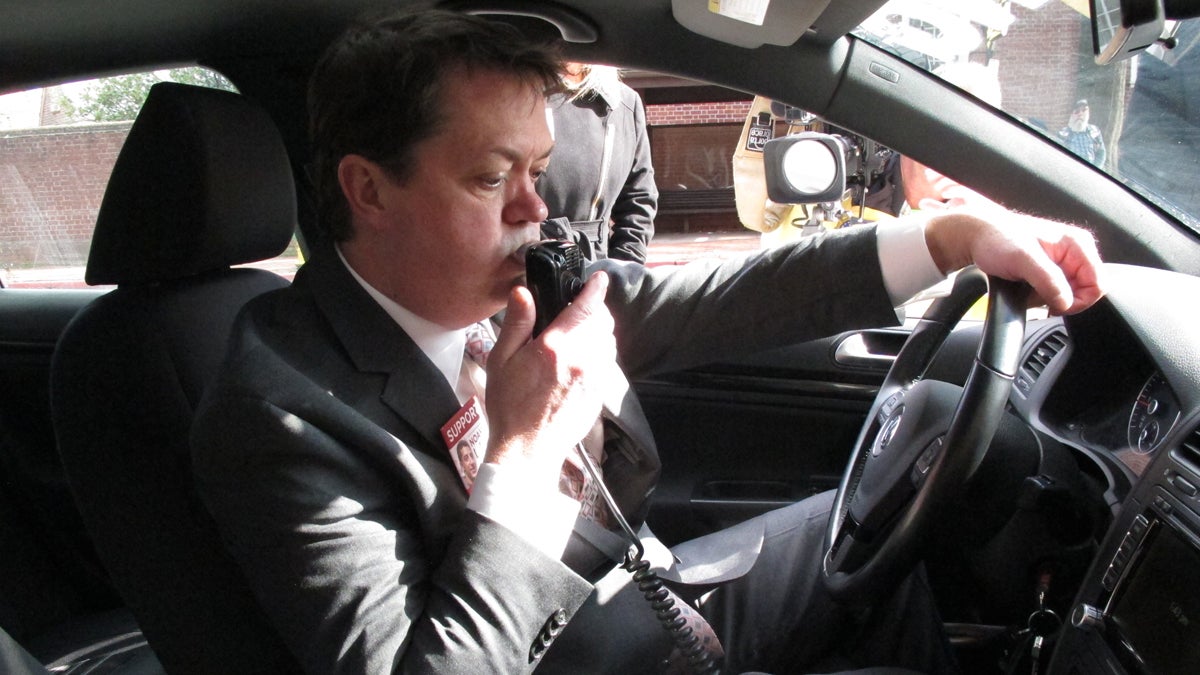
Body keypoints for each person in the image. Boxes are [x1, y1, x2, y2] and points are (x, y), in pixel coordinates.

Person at [190, 8, 1106, 675]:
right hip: (553, 652)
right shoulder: (278, 409)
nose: (536, 210)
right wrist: (521, 453)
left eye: (539, 170)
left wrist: (948, 241)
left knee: (874, 560)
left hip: (637, 604)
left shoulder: (520, 279)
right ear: (370, 190)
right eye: (490, 177)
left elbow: (726, 295)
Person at [536, 62, 657, 262]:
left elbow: (638, 199)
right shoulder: (517, 90)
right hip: (519, 262)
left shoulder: (624, 103)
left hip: (595, 265)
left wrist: (620, 273)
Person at [1057, 99, 1106, 168]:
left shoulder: (1095, 131)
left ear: (1088, 113)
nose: (1080, 114)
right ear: (1071, 116)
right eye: (1077, 112)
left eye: (1084, 110)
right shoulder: (1063, 134)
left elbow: (1101, 153)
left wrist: (1095, 169)